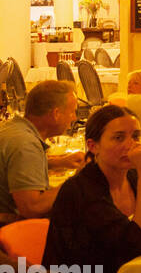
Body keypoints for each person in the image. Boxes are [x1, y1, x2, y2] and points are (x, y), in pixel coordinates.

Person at [44, 104, 141, 273]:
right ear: (93, 146)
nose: (131, 145)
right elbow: (138, 247)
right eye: (119, 138)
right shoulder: (81, 190)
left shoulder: (133, 178)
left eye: (135, 137)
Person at [0, 80, 81, 224]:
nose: (74, 118)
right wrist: (77, 181)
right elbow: (32, 208)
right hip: (9, 233)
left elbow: (13, 166)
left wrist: (59, 162)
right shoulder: (26, 144)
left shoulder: (13, 128)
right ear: (56, 113)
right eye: (73, 111)